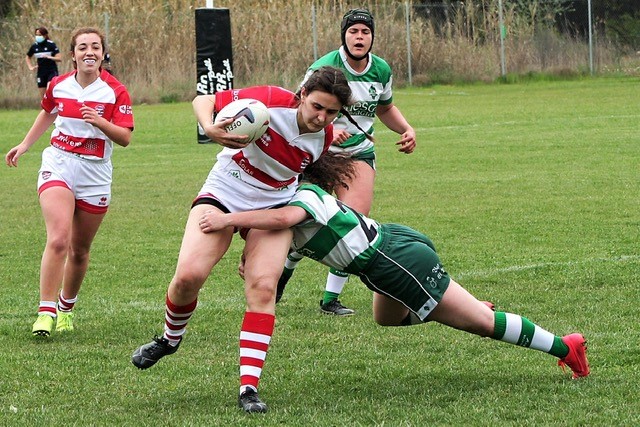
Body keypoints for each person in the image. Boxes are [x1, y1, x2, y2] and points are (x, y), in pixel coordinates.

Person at [198, 153, 591, 394]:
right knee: (385, 319)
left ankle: (565, 346)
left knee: (481, 324)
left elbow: (282, 216)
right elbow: (282, 266)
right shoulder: (288, 221)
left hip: (392, 259)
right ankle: (453, 303)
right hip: (385, 259)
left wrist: (225, 219)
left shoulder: (302, 198)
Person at [130, 66, 361, 414]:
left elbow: (299, 177)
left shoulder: (324, 138)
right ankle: (169, 339)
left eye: (331, 112)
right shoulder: (269, 100)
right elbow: (203, 99)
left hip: (273, 204)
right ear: (301, 95)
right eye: (316, 106)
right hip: (225, 189)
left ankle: (249, 388)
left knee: (264, 286)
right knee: (189, 276)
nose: (321, 117)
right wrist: (209, 127)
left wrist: (254, 243)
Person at [279, 8, 417, 316]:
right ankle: (282, 276)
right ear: (344, 35)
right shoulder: (325, 67)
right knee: (302, 221)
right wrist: (328, 129)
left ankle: (330, 300)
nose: (359, 37)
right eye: (353, 31)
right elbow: (296, 105)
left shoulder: (380, 69)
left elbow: (385, 108)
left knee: (353, 223)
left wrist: (406, 128)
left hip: (358, 154)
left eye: (365, 32)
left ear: (372, 37)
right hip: (319, 154)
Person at [6, 27, 134, 338]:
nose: (89, 52)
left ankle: (66, 308)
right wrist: (25, 145)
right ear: (73, 54)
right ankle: (45, 312)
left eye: (95, 47)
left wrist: (100, 121)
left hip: (95, 175)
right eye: (82, 47)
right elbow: (47, 113)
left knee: (79, 250)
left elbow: (126, 137)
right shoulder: (58, 85)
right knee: (59, 239)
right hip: (59, 164)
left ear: (103, 54)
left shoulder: (115, 91)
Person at [26, 27, 62, 98]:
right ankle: (45, 108)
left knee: (49, 89)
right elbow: (28, 57)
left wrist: (50, 57)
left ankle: (54, 106)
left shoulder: (51, 44)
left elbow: (59, 58)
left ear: (45, 35)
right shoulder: (34, 46)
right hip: (41, 72)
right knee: (43, 97)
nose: (38, 37)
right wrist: (30, 66)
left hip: (51, 71)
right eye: (36, 35)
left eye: (39, 35)